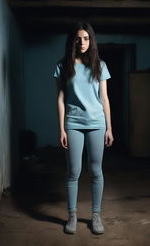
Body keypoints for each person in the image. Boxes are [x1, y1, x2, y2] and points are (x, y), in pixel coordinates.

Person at [53, 22, 114, 235]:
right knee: (74, 172)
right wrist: (61, 129)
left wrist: (109, 128)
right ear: (72, 41)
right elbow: (60, 99)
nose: (82, 42)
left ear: (91, 40)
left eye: (86, 38)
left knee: (96, 171)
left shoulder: (100, 65)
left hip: (97, 123)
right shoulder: (63, 66)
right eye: (78, 38)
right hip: (73, 124)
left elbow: (104, 98)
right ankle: (72, 216)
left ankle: (95, 217)